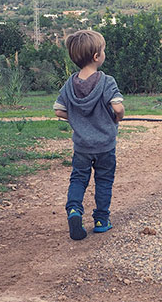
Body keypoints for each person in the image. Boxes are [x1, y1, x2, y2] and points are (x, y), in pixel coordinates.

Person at [53, 30, 125, 240]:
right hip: (105, 145)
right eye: (103, 50)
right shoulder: (107, 81)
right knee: (103, 181)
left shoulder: (70, 84)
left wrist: (77, 119)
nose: (104, 53)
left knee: (78, 179)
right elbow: (118, 108)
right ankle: (102, 220)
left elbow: (58, 110)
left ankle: (74, 209)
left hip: (82, 147)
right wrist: (117, 117)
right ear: (96, 56)